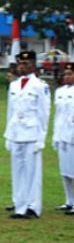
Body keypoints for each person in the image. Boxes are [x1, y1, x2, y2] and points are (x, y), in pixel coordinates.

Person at [4, 51, 50, 219]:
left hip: (32, 132)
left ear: (33, 65)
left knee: (32, 171)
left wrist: (41, 138)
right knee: (17, 170)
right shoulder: (15, 85)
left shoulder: (40, 85)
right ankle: (19, 203)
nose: (21, 67)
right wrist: (8, 134)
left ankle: (33, 206)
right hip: (16, 132)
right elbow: (10, 111)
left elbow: (44, 113)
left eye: (25, 64)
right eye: (20, 64)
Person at [53, 63, 74, 215]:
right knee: (65, 170)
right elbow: (58, 115)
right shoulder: (59, 92)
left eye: (70, 74)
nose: (67, 77)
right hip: (62, 134)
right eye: (65, 74)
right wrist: (55, 135)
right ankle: (68, 200)